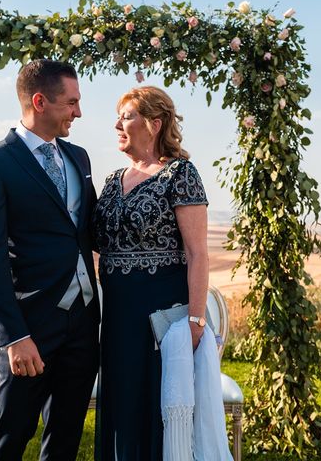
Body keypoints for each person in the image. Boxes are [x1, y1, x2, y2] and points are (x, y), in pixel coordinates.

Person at [0, 59, 100, 461]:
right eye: (71, 102)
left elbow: (86, 232)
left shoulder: (79, 157)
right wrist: (13, 336)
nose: (78, 112)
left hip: (82, 324)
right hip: (30, 327)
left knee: (65, 439)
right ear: (40, 101)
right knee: (13, 435)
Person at [93, 86, 211, 459]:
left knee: (153, 405)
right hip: (116, 316)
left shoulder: (180, 174)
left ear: (154, 123)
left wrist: (195, 320)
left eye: (126, 116)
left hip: (160, 318)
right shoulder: (113, 180)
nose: (117, 124)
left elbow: (197, 253)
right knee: (121, 401)